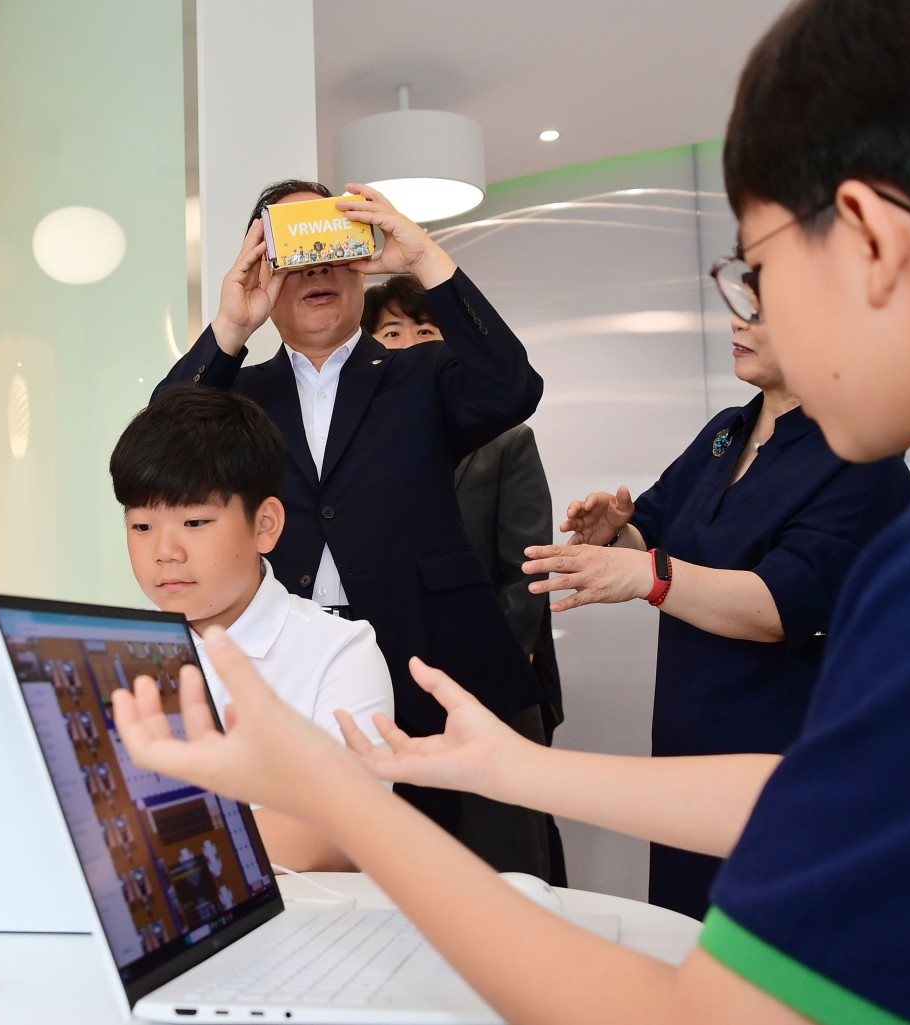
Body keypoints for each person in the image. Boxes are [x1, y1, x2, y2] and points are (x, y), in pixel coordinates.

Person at [110, 0, 910, 1021]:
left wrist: (339, 802)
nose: (750, 310)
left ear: (869, 238)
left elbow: (708, 1012)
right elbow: (848, 796)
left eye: (756, 272)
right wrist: (518, 765)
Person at [158, 180, 552, 874]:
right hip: (295, 665)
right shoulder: (239, 395)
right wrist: (229, 329)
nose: (316, 271)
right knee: (327, 867)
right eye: (294, 253)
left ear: (360, 262)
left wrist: (422, 257)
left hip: (434, 659)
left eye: (331, 247)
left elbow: (513, 387)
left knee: (468, 876)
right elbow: (160, 450)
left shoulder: (422, 371)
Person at [521, 309, 910, 917]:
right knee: (686, 926)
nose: (737, 324)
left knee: (766, 937)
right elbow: (656, 533)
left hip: (782, 753)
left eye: (759, 311)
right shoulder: (728, 430)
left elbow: (778, 604)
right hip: (688, 745)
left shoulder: (859, 454)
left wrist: (648, 575)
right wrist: (617, 535)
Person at [109, 384, 393, 871]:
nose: (164, 552)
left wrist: (140, 846)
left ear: (265, 525)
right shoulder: (109, 651)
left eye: (195, 523)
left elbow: (347, 827)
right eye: (141, 527)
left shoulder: (339, 651)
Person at [363, 274, 569, 885]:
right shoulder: (360, 447)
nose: (408, 343)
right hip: (393, 671)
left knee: (505, 845)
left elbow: (527, 565)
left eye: (425, 330)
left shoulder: (506, 440)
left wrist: (490, 653)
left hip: (489, 667)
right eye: (391, 332)